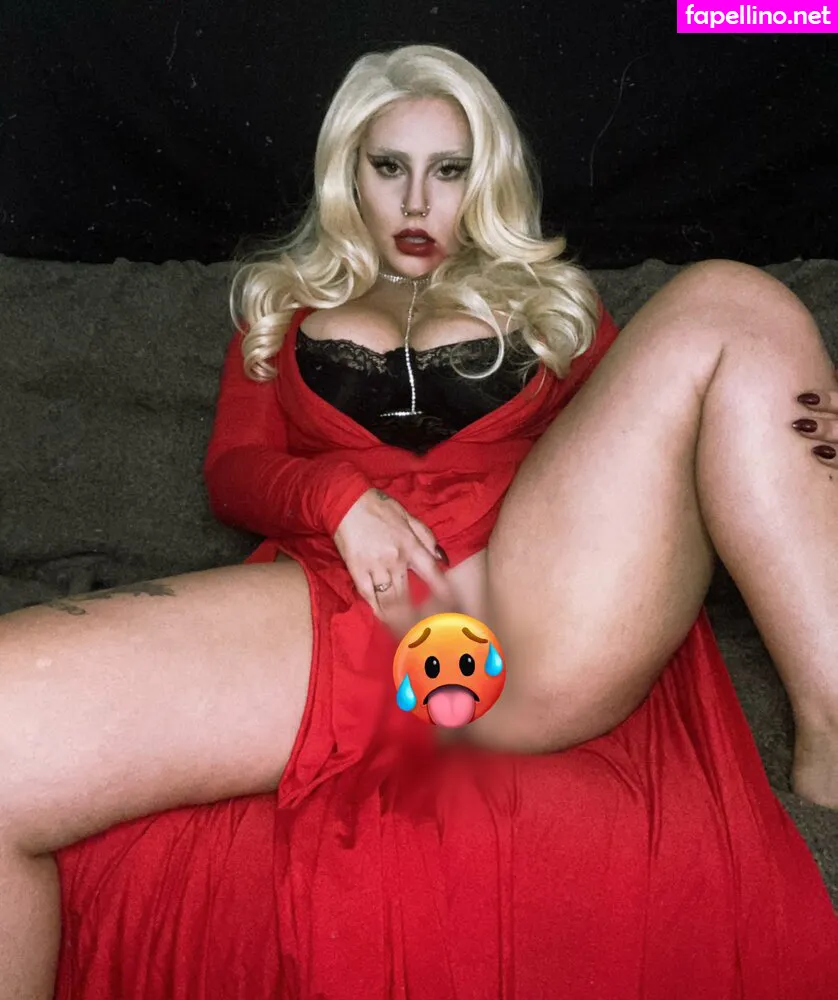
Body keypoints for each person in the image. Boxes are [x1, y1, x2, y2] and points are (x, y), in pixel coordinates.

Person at [1, 43, 837, 1000]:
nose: (414, 202)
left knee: (732, 305)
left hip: (531, 598)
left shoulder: (556, 309)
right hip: (348, 602)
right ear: (348, 171)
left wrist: (778, 433)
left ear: (485, 181)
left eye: (449, 172)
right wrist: (339, 499)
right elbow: (234, 473)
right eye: (389, 166)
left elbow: (634, 468)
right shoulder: (282, 310)